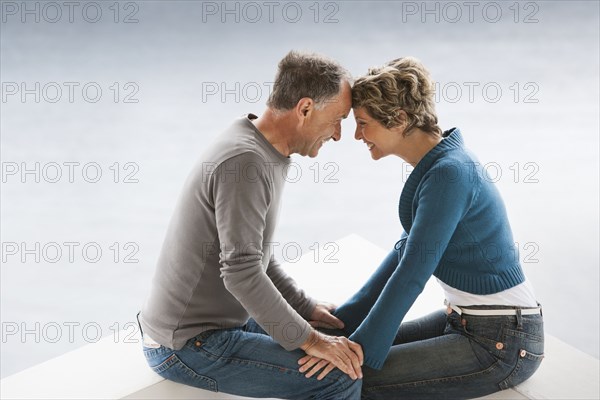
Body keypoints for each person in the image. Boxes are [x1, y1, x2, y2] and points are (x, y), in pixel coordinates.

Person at [299, 57, 545, 399]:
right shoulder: (440, 168)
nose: (356, 135)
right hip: (465, 322)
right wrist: (341, 323)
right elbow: (403, 256)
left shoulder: (450, 174)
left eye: (363, 123)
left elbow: (412, 274)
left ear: (399, 120)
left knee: (341, 377)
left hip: (502, 344)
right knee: (335, 352)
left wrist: (356, 352)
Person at [137, 51, 364, 399]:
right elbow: (241, 271)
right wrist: (311, 340)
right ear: (304, 109)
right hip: (186, 344)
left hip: (216, 324)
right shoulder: (246, 162)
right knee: (339, 377)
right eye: (338, 120)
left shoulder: (259, 146)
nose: (337, 135)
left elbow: (254, 256)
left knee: (338, 335)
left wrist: (305, 308)